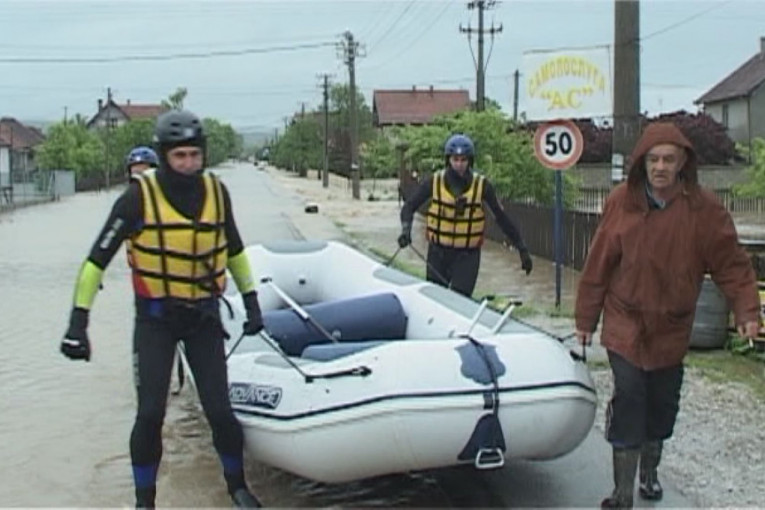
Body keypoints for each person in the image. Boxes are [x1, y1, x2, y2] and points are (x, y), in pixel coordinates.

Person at [60, 110, 265, 509]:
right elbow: (96, 260)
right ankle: (145, 502)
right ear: (165, 156)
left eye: (194, 154)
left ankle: (237, 487)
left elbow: (235, 250)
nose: (188, 163)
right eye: (179, 156)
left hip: (203, 318)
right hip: (155, 322)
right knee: (150, 415)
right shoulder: (137, 197)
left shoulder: (217, 193)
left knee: (220, 412)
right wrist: (77, 323)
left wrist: (252, 303)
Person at [574, 122, 761, 509]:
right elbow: (598, 264)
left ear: (682, 164)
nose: (660, 167)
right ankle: (621, 494)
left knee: (661, 405)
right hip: (625, 322)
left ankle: (650, 471)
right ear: (642, 163)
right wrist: (585, 320)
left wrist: (746, 310)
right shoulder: (622, 202)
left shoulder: (703, 209)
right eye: (653, 160)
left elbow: (731, 263)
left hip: (672, 327)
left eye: (669, 160)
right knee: (629, 398)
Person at [397, 133, 533, 297]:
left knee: (460, 297)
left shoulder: (483, 186)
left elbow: (502, 218)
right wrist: (406, 230)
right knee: (436, 297)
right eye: (455, 159)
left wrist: (522, 249)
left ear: (470, 161)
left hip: (467, 256)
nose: (459, 165)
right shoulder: (434, 182)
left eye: (463, 160)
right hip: (438, 254)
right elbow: (409, 207)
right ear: (448, 160)